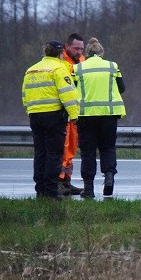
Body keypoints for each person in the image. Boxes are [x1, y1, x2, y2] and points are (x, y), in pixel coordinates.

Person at [21, 41, 80, 199]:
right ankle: (51, 191)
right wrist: (74, 115)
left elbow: (24, 96)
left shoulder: (31, 70)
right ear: (61, 53)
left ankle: (40, 190)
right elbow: (68, 94)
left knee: (40, 153)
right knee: (54, 154)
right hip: (53, 116)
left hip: (35, 116)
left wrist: (31, 110)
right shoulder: (60, 68)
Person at [73, 37, 126, 198]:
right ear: (101, 52)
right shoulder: (112, 66)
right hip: (108, 115)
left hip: (86, 116)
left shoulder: (78, 68)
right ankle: (109, 178)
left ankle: (88, 189)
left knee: (88, 152)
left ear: (87, 53)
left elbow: (72, 90)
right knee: (108, 148)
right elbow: (122, 88)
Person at [59, 33, 85, 195]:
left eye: (81, 49)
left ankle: (67, 180)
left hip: (75, 113)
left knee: (72, 148)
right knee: (63, 148)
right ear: (67, 47)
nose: (79, 52)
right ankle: (58, 180)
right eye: (76, 48)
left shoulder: (82, 61)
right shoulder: (61, 62)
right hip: (63, 112)